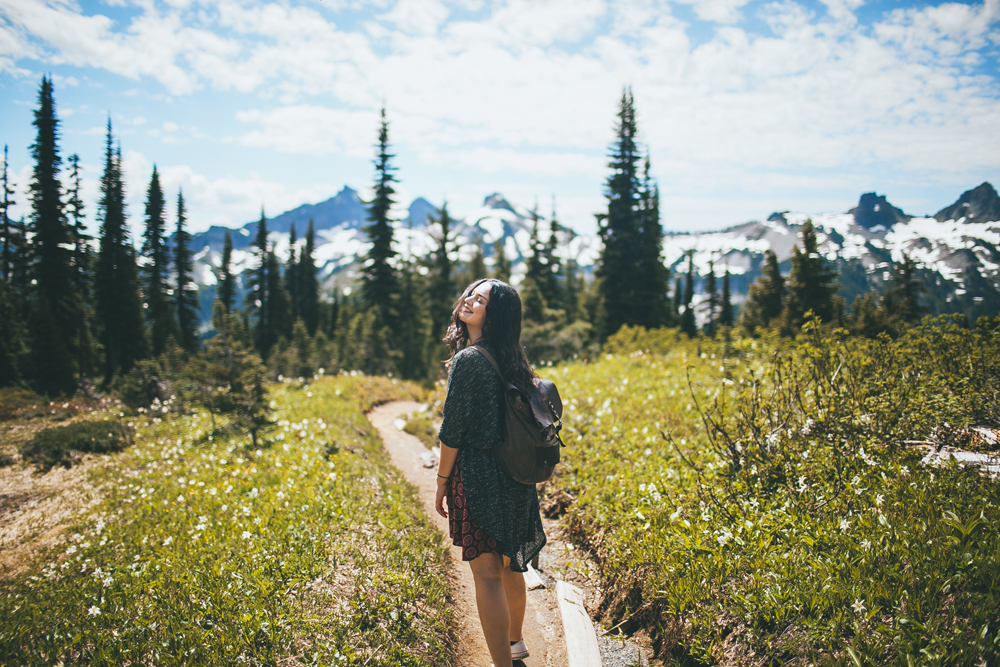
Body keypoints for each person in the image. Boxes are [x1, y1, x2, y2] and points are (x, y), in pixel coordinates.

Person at [434, 278, 546, 667]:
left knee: (486, 575)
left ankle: (503, 664)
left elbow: (453, 430)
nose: (467, 300)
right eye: (469, 293)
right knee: (510, 563)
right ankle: (514, 644)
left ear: (493, 314)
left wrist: (441, 481)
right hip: (516, 476)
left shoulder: (469, 359)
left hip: (479, 476)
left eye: (479, 299)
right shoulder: (512, 356)